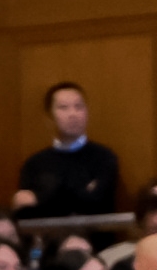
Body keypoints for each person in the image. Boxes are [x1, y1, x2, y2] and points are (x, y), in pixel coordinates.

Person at [12, 81, 119, 220]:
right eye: (63, 108)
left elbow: (94, 203)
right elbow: (25, 212)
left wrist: (40, 198)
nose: (72, 114)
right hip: (48, 240)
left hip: (96, 239)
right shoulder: (35, 163)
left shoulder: (104, 157)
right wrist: (81, 191)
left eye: (78, 107)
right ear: (49, 117)